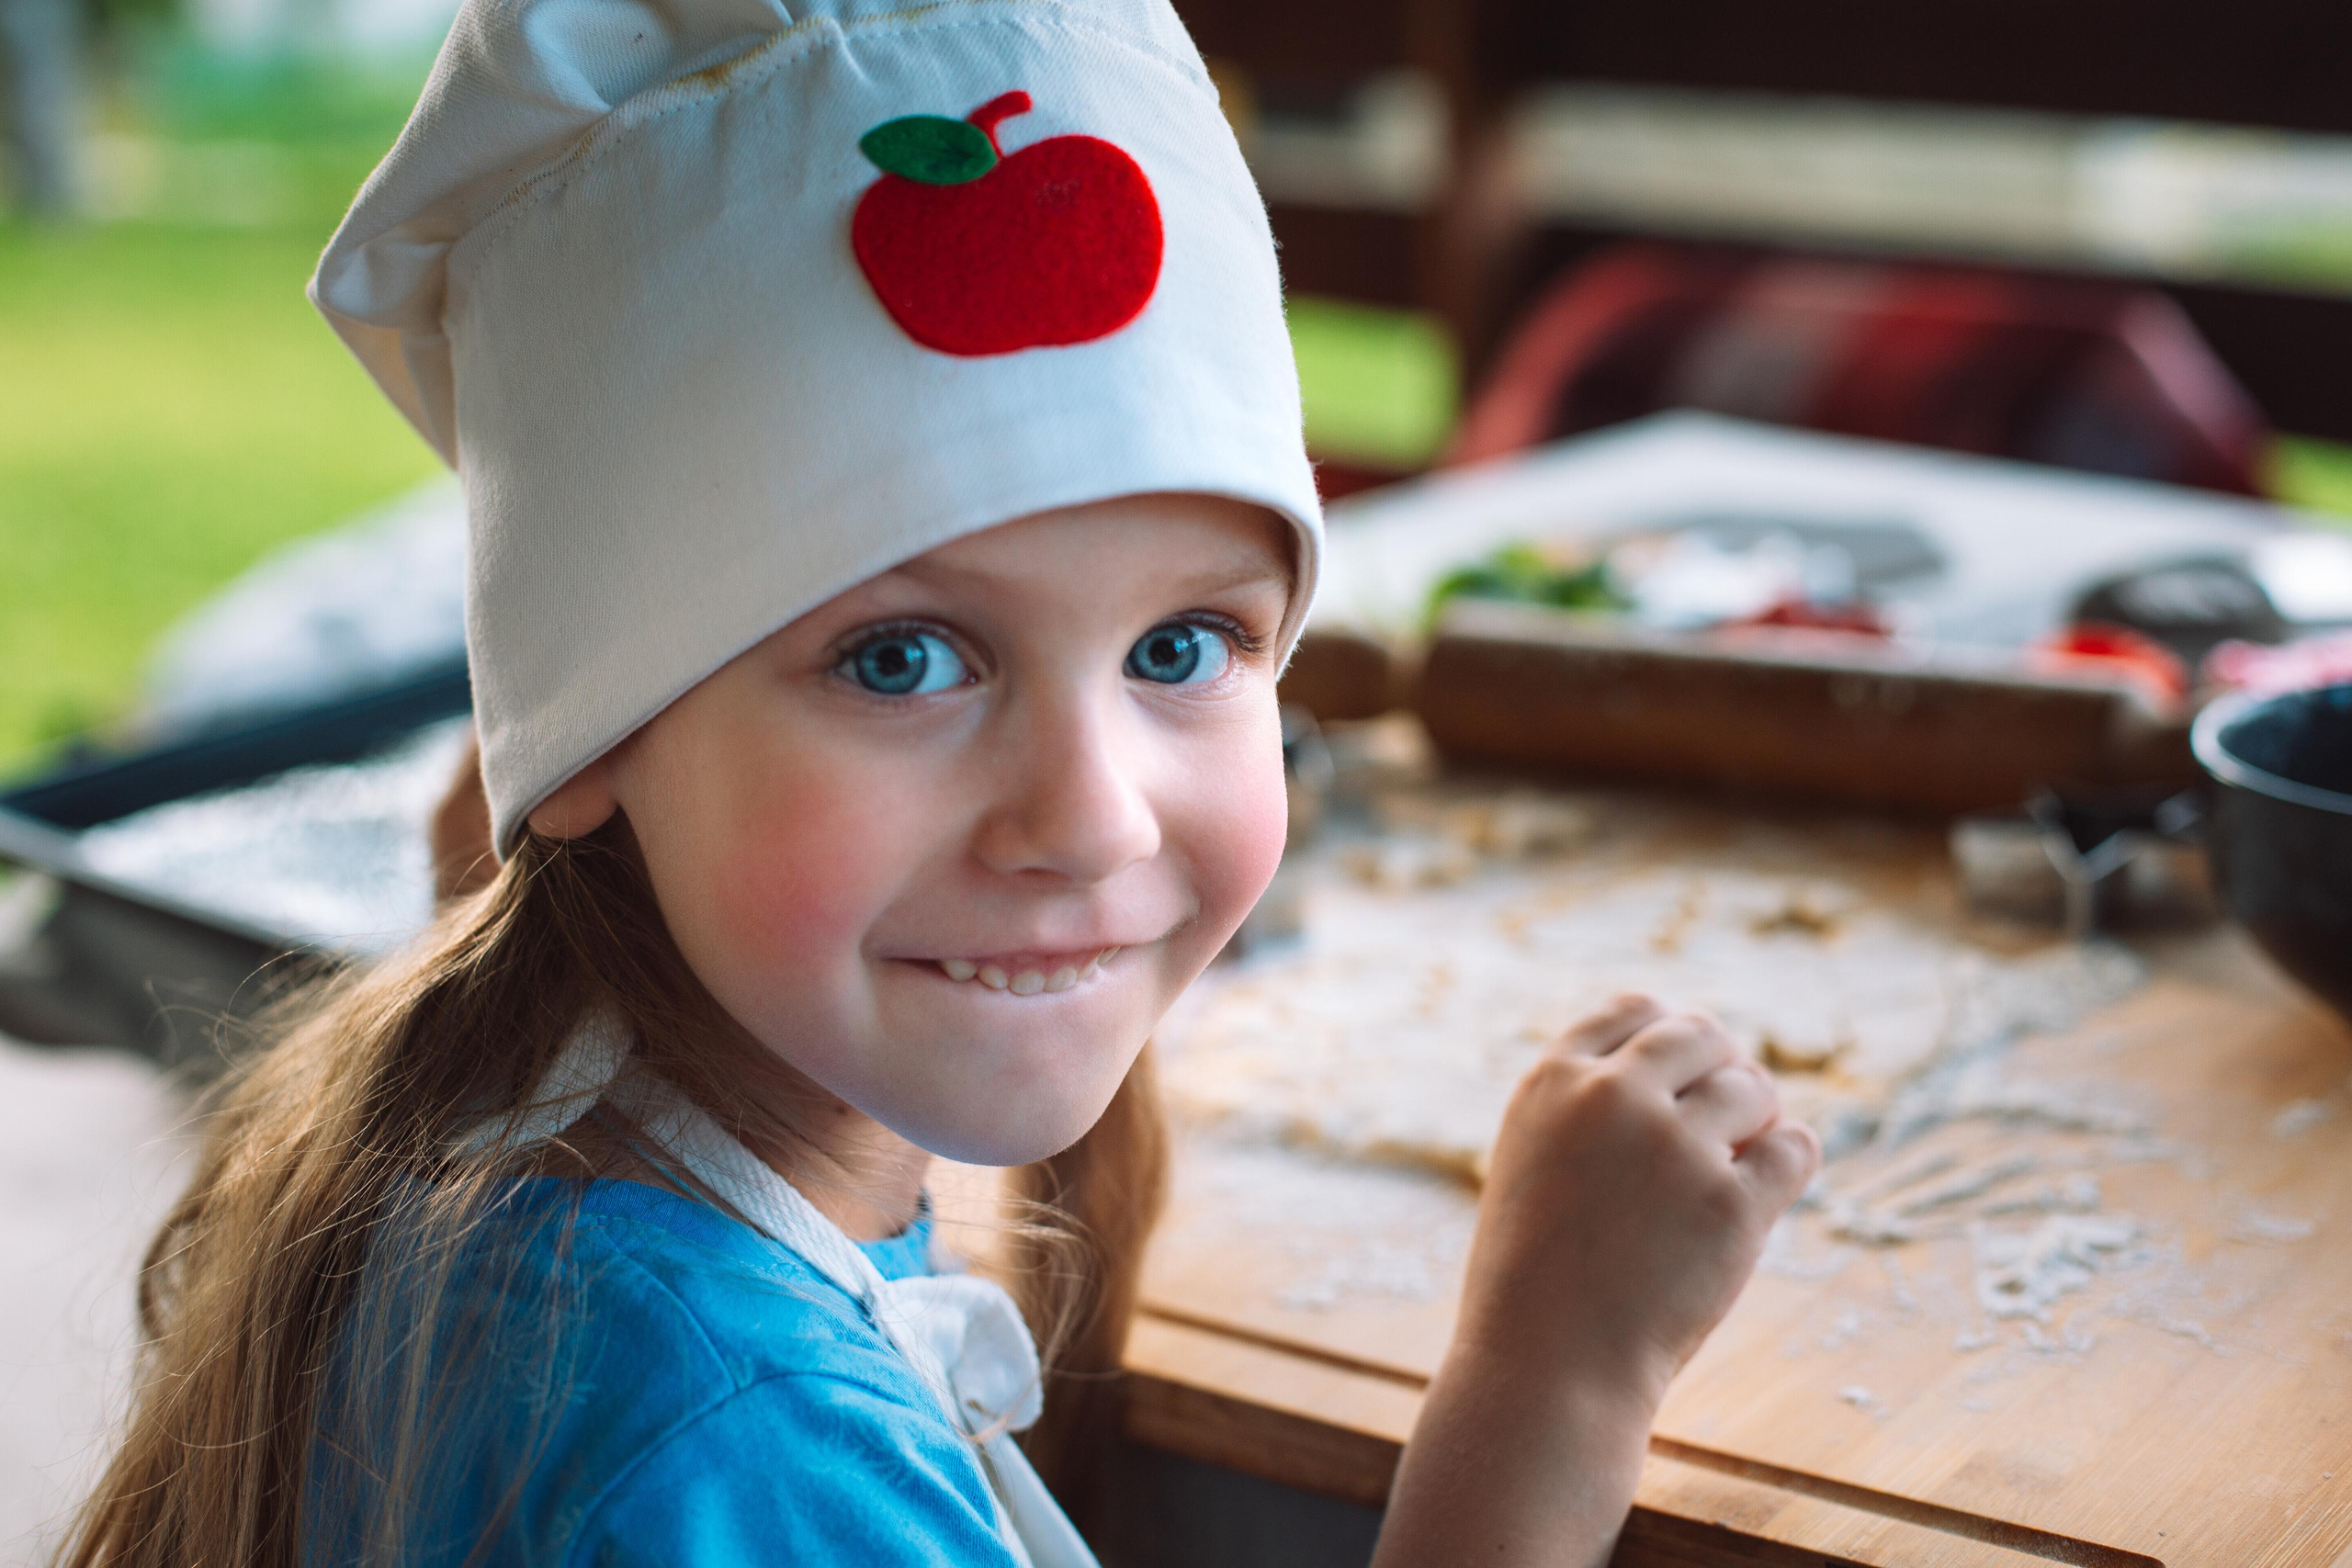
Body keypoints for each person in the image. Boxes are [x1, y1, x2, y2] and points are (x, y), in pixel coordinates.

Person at [62, 0, 1819, 1562]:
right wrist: (1551, 1387)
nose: (1093, 817)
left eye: (1185, 648)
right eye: (902, 659)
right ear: (590, 732)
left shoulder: (565, 1142)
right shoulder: (726, 1444)